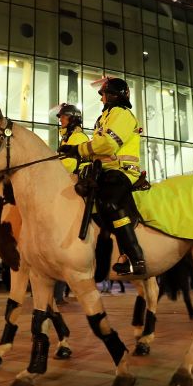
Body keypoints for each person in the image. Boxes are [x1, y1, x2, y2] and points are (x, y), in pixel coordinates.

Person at [60, 77, 145, 275]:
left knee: (110, 203)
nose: (101, 100)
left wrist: (77, 150)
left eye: (104, 95)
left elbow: (107, 144)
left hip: (124, 171)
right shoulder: (104, 118)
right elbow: (96, 149)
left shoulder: (122, 114)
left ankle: (135, 256)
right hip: (106, 171)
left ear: (114, 95)